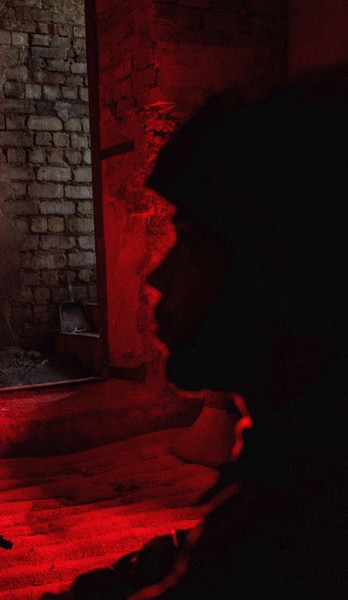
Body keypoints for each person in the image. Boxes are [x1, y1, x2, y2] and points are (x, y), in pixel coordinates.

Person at [48, 70, 348, 598]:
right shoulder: (294, 453)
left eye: (189, 244)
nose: (157, 279)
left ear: (282, 268)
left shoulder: (311, 514)